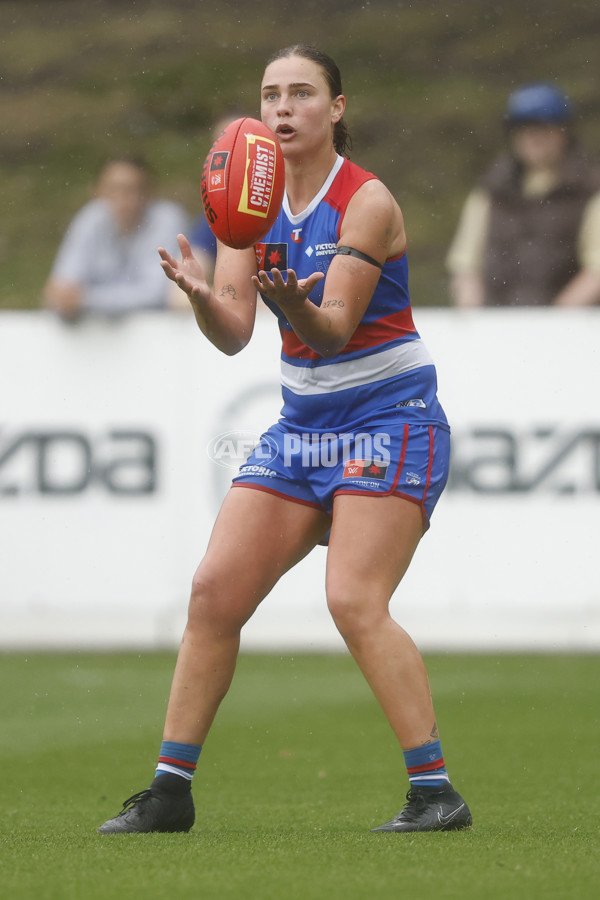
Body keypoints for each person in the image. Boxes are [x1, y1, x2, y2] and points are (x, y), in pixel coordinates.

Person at [98, 44, 472, 835]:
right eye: (271, 95)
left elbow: (331, 331)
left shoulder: (365, 200)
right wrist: (204, 297)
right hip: (304, 430)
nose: (283, 109)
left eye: (303, 93)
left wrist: (289, 306)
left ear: (337, 108)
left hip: (391, 420)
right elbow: (235, 333)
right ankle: (169, 793)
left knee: (353, 598)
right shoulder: (246, 202)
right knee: (212, 593)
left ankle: (435, 793)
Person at [447, 82, 600, 308]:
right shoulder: (491, 189)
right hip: (496, 326)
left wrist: (555, 323)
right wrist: (473, 318)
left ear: (563, 131)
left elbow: (596, 272)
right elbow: (466, 266)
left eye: (544, 128)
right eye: (524, 128)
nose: (534, 137)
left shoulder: (590, 189)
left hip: (569, 332)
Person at [43, 156, 190, 318]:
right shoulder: (91, 217)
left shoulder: (167, 219)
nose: (123, 198)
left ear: (149, 192)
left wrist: (85, 299)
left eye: (131, 189)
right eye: (114, 189)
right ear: (97, 191)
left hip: (156, 329)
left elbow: (158, 294)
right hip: (97, 331)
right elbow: (62, 287)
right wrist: (66, 296)